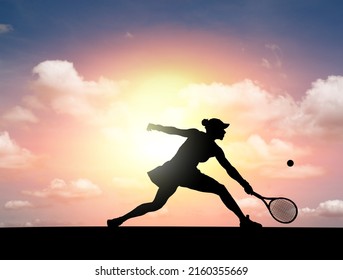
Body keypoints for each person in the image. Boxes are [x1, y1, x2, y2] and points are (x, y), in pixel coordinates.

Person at [107, 118, 262, 228]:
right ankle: (243, 221)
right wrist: (156, 126)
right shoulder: (201, 138)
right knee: (220, 189)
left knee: (156, 204)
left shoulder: (215, 148)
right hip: (183, 173)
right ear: (214, 130)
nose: (224, 132)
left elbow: (229, 169)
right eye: (222, 129)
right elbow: (174, 131)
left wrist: (244, 184)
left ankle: (118, 221)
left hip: (173, 173)